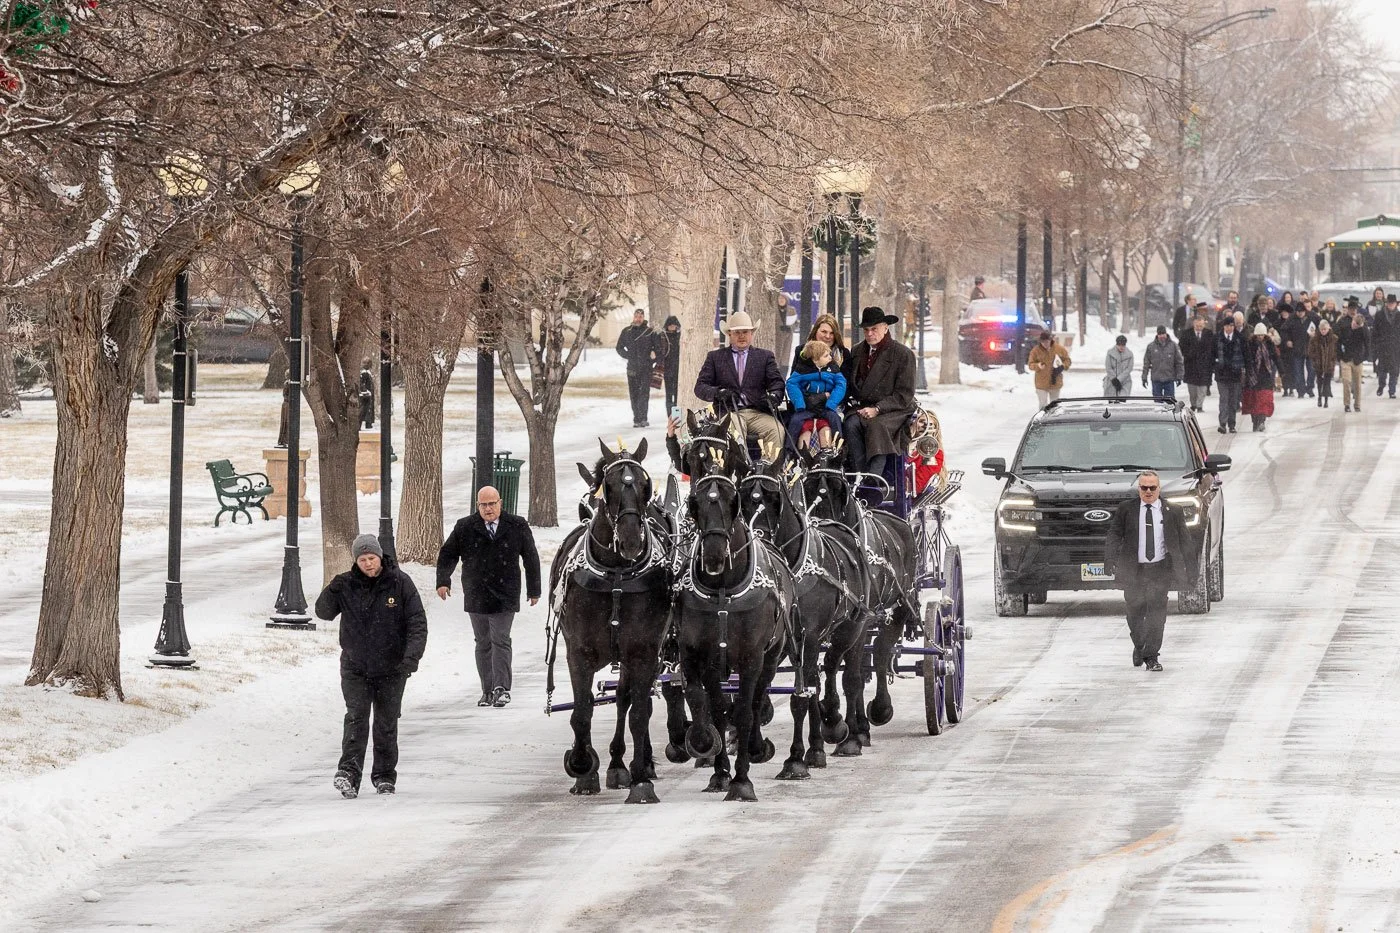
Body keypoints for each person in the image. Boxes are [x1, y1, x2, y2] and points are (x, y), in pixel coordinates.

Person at [316, 534, 427, 798]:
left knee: (386, 723)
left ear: (380, 557)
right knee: (356, 718)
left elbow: (417, 623)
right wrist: (332, 589)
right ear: (356, 560)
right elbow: (323, 612)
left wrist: (411, 658)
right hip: (356, 667)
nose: (368, 564)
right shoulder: (346, 584)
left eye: (372, 558)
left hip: (393, 668)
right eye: (363, 559)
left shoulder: (400, 583)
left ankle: (384, 776)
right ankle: (349, 774)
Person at [436, 485, 541, 708]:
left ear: (500, 503)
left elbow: (531, 557)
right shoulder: (465, 526)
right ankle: (487, 689)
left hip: (506, 592)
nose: (488, 509)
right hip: (477, 593)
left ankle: (501, 688)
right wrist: (443, 581)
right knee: (483, 642)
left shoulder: (517, 525)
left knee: (500, 639)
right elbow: (448, 554)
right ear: (478, 505)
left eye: (492, 504)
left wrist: (534, 590)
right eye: (483, 505)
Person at [1104, 471, 1198, 673]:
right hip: (1134, 570)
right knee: (1135, 612)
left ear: (1159, 488)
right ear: (1138, 489)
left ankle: (1152, 656)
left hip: (1160, 569)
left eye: (1152, 488)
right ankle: (1140, 645)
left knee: (1157, 615)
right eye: (1144, 488)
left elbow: (1185, 542)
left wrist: (1191, 570)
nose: (1148, 492)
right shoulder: (1126, 510)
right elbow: (1114, 534)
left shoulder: (1172, 511)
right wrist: (1109, 558)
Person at [693, 310, 787, 452]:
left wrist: (774, 396)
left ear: (751, 334)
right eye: (737, 332)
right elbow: (700, 387)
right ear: (729, 334)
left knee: (777, 430)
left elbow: (777, 383)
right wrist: (719, 392)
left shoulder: (765, 357)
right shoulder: (715, 357)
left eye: (745, 332)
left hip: (757, 412)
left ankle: (768, 470)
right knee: (735, 429)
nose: (742, 336)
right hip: (729, 412)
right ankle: (740, 468)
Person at [843, 306, 917, 475]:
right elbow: (851, 384)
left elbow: (904, 394)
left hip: (894, 409)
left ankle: (875, 478)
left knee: (877, 426)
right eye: (866, 330)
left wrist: (878, 409)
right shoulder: (857, 351)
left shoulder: (902, 354)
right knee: (851, 423)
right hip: (863, 407)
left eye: (874, 329)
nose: (870, 334)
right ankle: (859, 476)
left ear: (885, 328)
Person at [785, 338, 846, 451]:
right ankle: (790, 451)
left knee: (835, 420)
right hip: (806, 406)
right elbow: (791, 383)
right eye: (826, 356)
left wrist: (831, 403)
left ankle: (838, 448)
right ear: (815, 359)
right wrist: (800, 404)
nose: (830, 358)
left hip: (825, 406)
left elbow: (841, 384)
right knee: (795, 421)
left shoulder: (832, 368)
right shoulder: (803, 369)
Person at [616, 309, 660, 428]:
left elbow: (658, 349)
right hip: (632, 368)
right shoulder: (626, 332)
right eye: (636, 316)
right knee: (634, 394)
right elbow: (619, 347)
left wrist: (652, 358)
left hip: (646, 368)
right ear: (633, 317)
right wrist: (628, 355)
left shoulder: (649, 332)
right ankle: (636, 418)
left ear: (643, 317)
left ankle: (643, 418)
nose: (638, 318)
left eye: (640, 316)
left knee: (644, 393)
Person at [1241, 322, 1279, 432]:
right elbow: (1246, 359)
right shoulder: (1250, 344)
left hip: (1266, 375)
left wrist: (1281, 369)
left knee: (1264, 399)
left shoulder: (1269, 344)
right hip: (1253, 375)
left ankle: (1262, 420)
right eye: (1258, 335)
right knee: (1254, 400)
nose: (1260, 337)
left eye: (1262, 335)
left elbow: (1275, 357)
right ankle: (1255, 421)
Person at [1213, 317, 1246, 434]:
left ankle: (1232, 424)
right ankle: (1222, 423)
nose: (1229, 328)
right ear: (1223, 326)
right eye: (1227, 326)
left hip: (1235, 374)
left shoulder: (1240, 338)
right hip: (1221, 374)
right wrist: (1214, 366)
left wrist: (1247, 370)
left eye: (1232, 326)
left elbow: (1246, 355)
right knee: (1224, 399)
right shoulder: (1217, 338)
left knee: (1233, 401)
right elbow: (1211, 355)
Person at [1179, 315, 1216, 412]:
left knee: (1203, 388)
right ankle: (1193, 404)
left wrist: (1211, 362)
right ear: (1194, 324)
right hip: (1191, 365)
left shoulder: (1209, 334)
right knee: (1192, 388)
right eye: (1197, 326)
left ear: (1204, 325)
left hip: (1205, 365)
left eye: (1201, 326)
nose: (1199, 328)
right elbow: (1181, 348)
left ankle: (1200, 405)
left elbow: (1213, 349)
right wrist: (1188, 354)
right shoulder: (1186, 334)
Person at [1028, 329, 1071, 408]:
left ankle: (1053, 419)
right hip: (1041, 383)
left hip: (1055, 381)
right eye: (1043, 342)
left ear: (1050, 340)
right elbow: (1030, 364)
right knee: (1043, 405)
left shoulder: (1059, 349)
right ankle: (1043, 419)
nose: (1045, 344)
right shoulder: (1035, 351)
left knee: (1054, 406)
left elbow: (1067, 360)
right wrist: (1038, 366)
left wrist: (1063, 366)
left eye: (1046, 342)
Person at [1338, 310, 1370, 413]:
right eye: (1353, 324)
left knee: (1357, 384)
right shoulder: (1345, 328)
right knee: (1346, 381)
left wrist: (1364, 357)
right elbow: (1338, 342)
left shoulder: (1364, 331)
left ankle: (1357, 404)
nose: (1354, 326)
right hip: (1346, 359)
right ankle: (1347, 404)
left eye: (1356, 325)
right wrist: (1339, 356)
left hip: (1357, 360)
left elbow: (1367, 344)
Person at [1141, 326, 1184, 401]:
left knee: (1170, 402)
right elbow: (1146, 364)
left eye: (1163, 334)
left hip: (1169, 379)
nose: (1162, 336)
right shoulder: (1151, 347)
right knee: (1157, 403)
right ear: (1157, 335)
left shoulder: (1173, 346)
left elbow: (1179, 362)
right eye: (1160, 334)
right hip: (1156, 379)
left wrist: (1179, 376)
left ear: (1166, 334)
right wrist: (1144, 377)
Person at [1307, 318, 1338, 408]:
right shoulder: (1314, 339)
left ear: (1328, 329)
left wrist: (1333, 359)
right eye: (1321, 329)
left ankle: (1326, 400)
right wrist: (1315, 359)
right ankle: (1320, 397)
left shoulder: (1334, 339)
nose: (1323, 331)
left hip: (1329, 364)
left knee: (1327, 382)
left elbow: (1336, 350)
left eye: (1325, 329)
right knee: (1320, 381)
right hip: (1319, 364)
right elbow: (1310, 351)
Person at [1373, 294, 1400, 399]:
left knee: (1394, 370)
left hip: (1396, 347)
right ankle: (1381, 385)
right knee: (1382, 369)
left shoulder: (1399, 315)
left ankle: (1392, 390)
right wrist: (1376, 344)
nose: (1391, 305)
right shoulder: (1380, 315)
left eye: (1393, 303)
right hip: (1383, 345)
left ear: (1396, 304)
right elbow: (1375, 331)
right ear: (1386, 303)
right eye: (1389, 303)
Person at [661, 315, 681, 414]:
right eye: (670, 325)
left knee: (678, 393)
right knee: (669, 394)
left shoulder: (680, 336)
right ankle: (670, 415)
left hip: (679, 369)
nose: (672, 327)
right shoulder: (663, 337)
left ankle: (677, 415)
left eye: (674, 325)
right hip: (668, 369)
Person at [358, 358, 376, 429]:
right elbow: (362, 384)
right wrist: (365, 391)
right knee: (364, 409)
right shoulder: (364, 373)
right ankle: (363, 424)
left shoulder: (367, 373)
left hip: (368, 394)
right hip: (366, 395)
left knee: (367, 409)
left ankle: (368, 424)